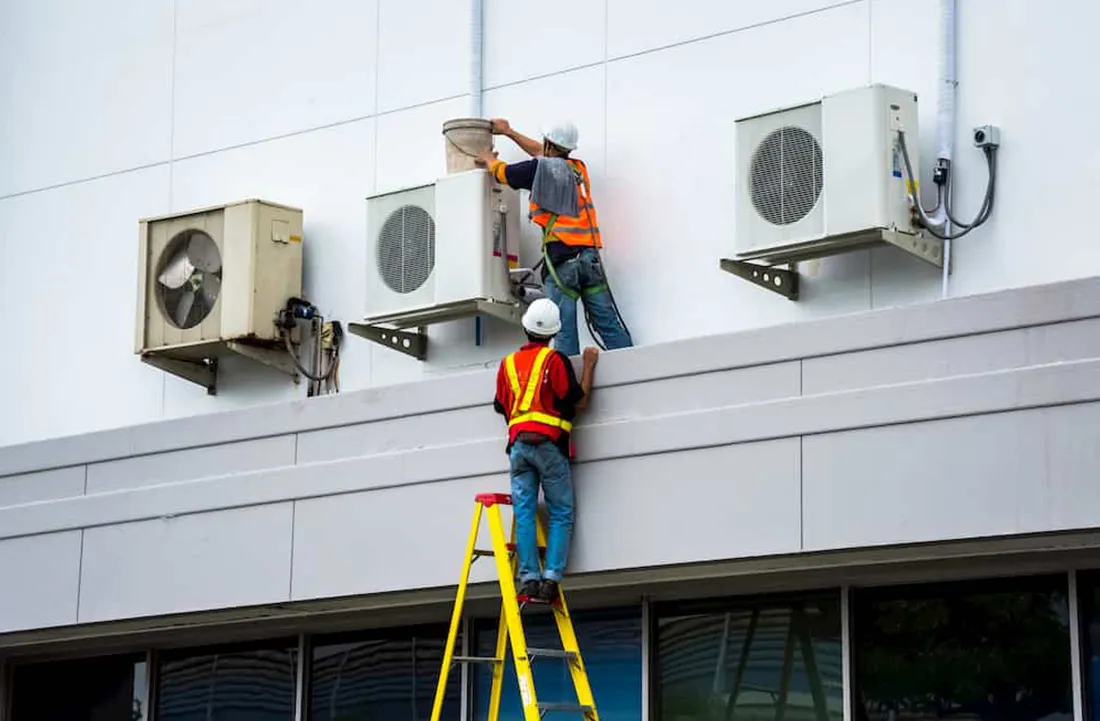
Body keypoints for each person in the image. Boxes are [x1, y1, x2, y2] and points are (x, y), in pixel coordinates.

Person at [475, 118, 633, 358]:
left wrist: (488, 159)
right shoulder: (578, 169)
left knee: (564, 331)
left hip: (562, 262)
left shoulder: (538, 170)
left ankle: (567, 382)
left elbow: (505, 174)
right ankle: (632, 365)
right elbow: (544, 153)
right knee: (608, 324)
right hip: (590, 260)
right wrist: (509, 132)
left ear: (548, 143)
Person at [493, 297, 598, 603]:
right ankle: (551, 579)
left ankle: (528, 580)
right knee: (561, 511)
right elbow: (579, 403)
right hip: (549, 447)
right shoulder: (554, 361)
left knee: (524, 512)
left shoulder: (507, 364)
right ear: (554, 332)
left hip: (518, 448)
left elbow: (501, 405)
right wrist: (589, 365)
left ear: (526, 327)